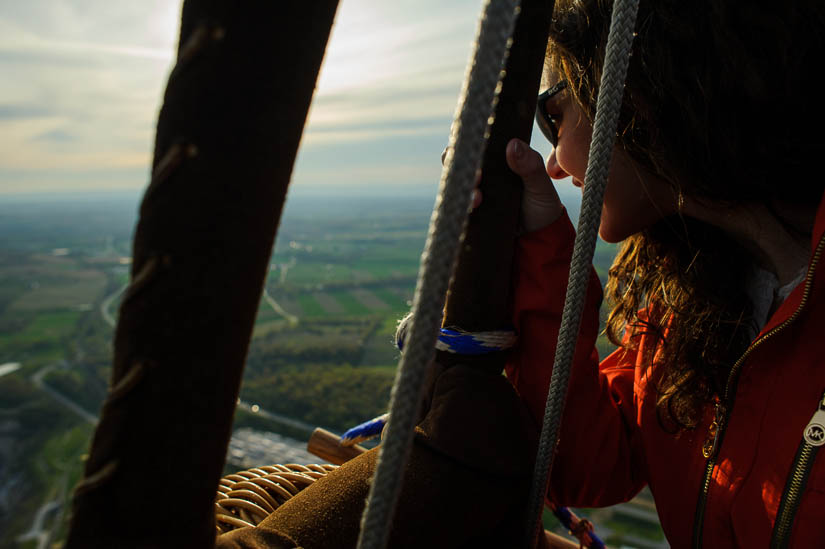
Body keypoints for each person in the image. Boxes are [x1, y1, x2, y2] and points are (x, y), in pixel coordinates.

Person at [499, 0, 825, 547]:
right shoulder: (698, 309)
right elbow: (583, 459)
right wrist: (540, 247)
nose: (553, 162)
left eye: (553, 115)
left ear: (634, 99)